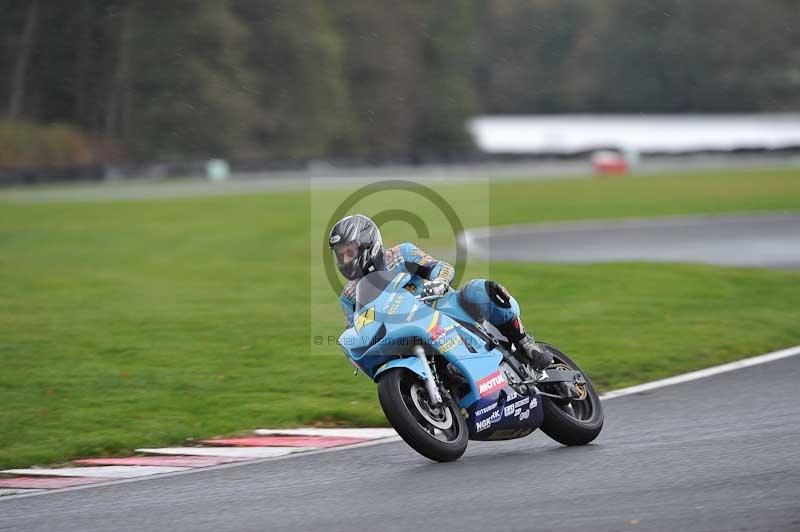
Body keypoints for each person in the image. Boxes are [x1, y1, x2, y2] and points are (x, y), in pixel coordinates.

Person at [328, 214, 552, 370]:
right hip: (403, 335)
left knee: (479, 290)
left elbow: (439, 267)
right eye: (340, 255)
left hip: (445, 310)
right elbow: (356, 328)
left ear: (368, 243)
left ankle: (524, 343)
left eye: (349, 251)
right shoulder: (349, 295)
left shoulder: (400, 255)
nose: (345, 259)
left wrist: (438, 282)